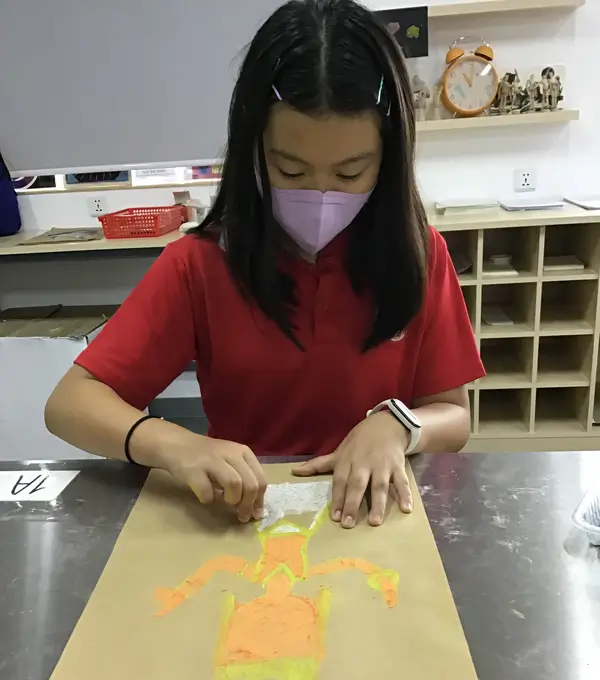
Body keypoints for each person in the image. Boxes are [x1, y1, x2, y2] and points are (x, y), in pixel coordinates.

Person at [45, 0, 484, 531]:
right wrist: (172, 443)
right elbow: (70, 403)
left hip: (373, 518)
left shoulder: (419, 254)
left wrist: (399, 425)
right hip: (243, 517)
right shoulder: (201, 264)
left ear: (389, 159)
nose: (321, 195)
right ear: (254, 148)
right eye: (290, 170)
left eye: (350, 174)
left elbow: (454, 416)